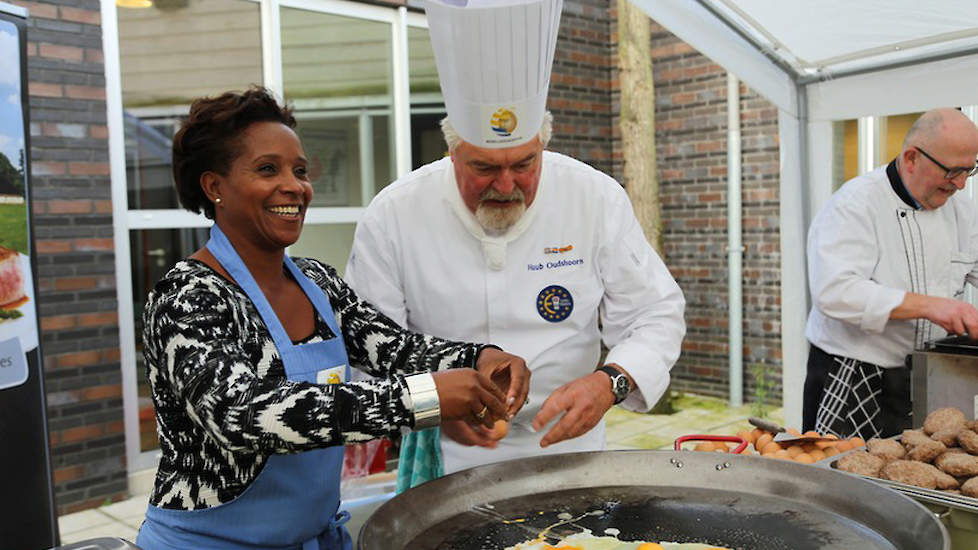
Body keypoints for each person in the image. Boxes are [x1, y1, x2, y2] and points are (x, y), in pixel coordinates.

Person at [134, 87, 530, 550]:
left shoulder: (317, 283)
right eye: (268, 169)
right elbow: (243, 416)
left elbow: (395, 348)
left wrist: (482, 356)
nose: (294, 186)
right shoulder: (187, 297)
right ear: (214, 186)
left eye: (300, 171)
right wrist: (423, 398)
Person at [804, 107, 978, 440]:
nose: (960, 183)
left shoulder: (964, 212)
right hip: (853, 372)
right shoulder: (854, 204)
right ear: (911, 158)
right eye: (952, 170)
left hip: (930, 373)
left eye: (969, 171)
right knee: (845, 483)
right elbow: (835, 292)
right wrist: (933, 306)